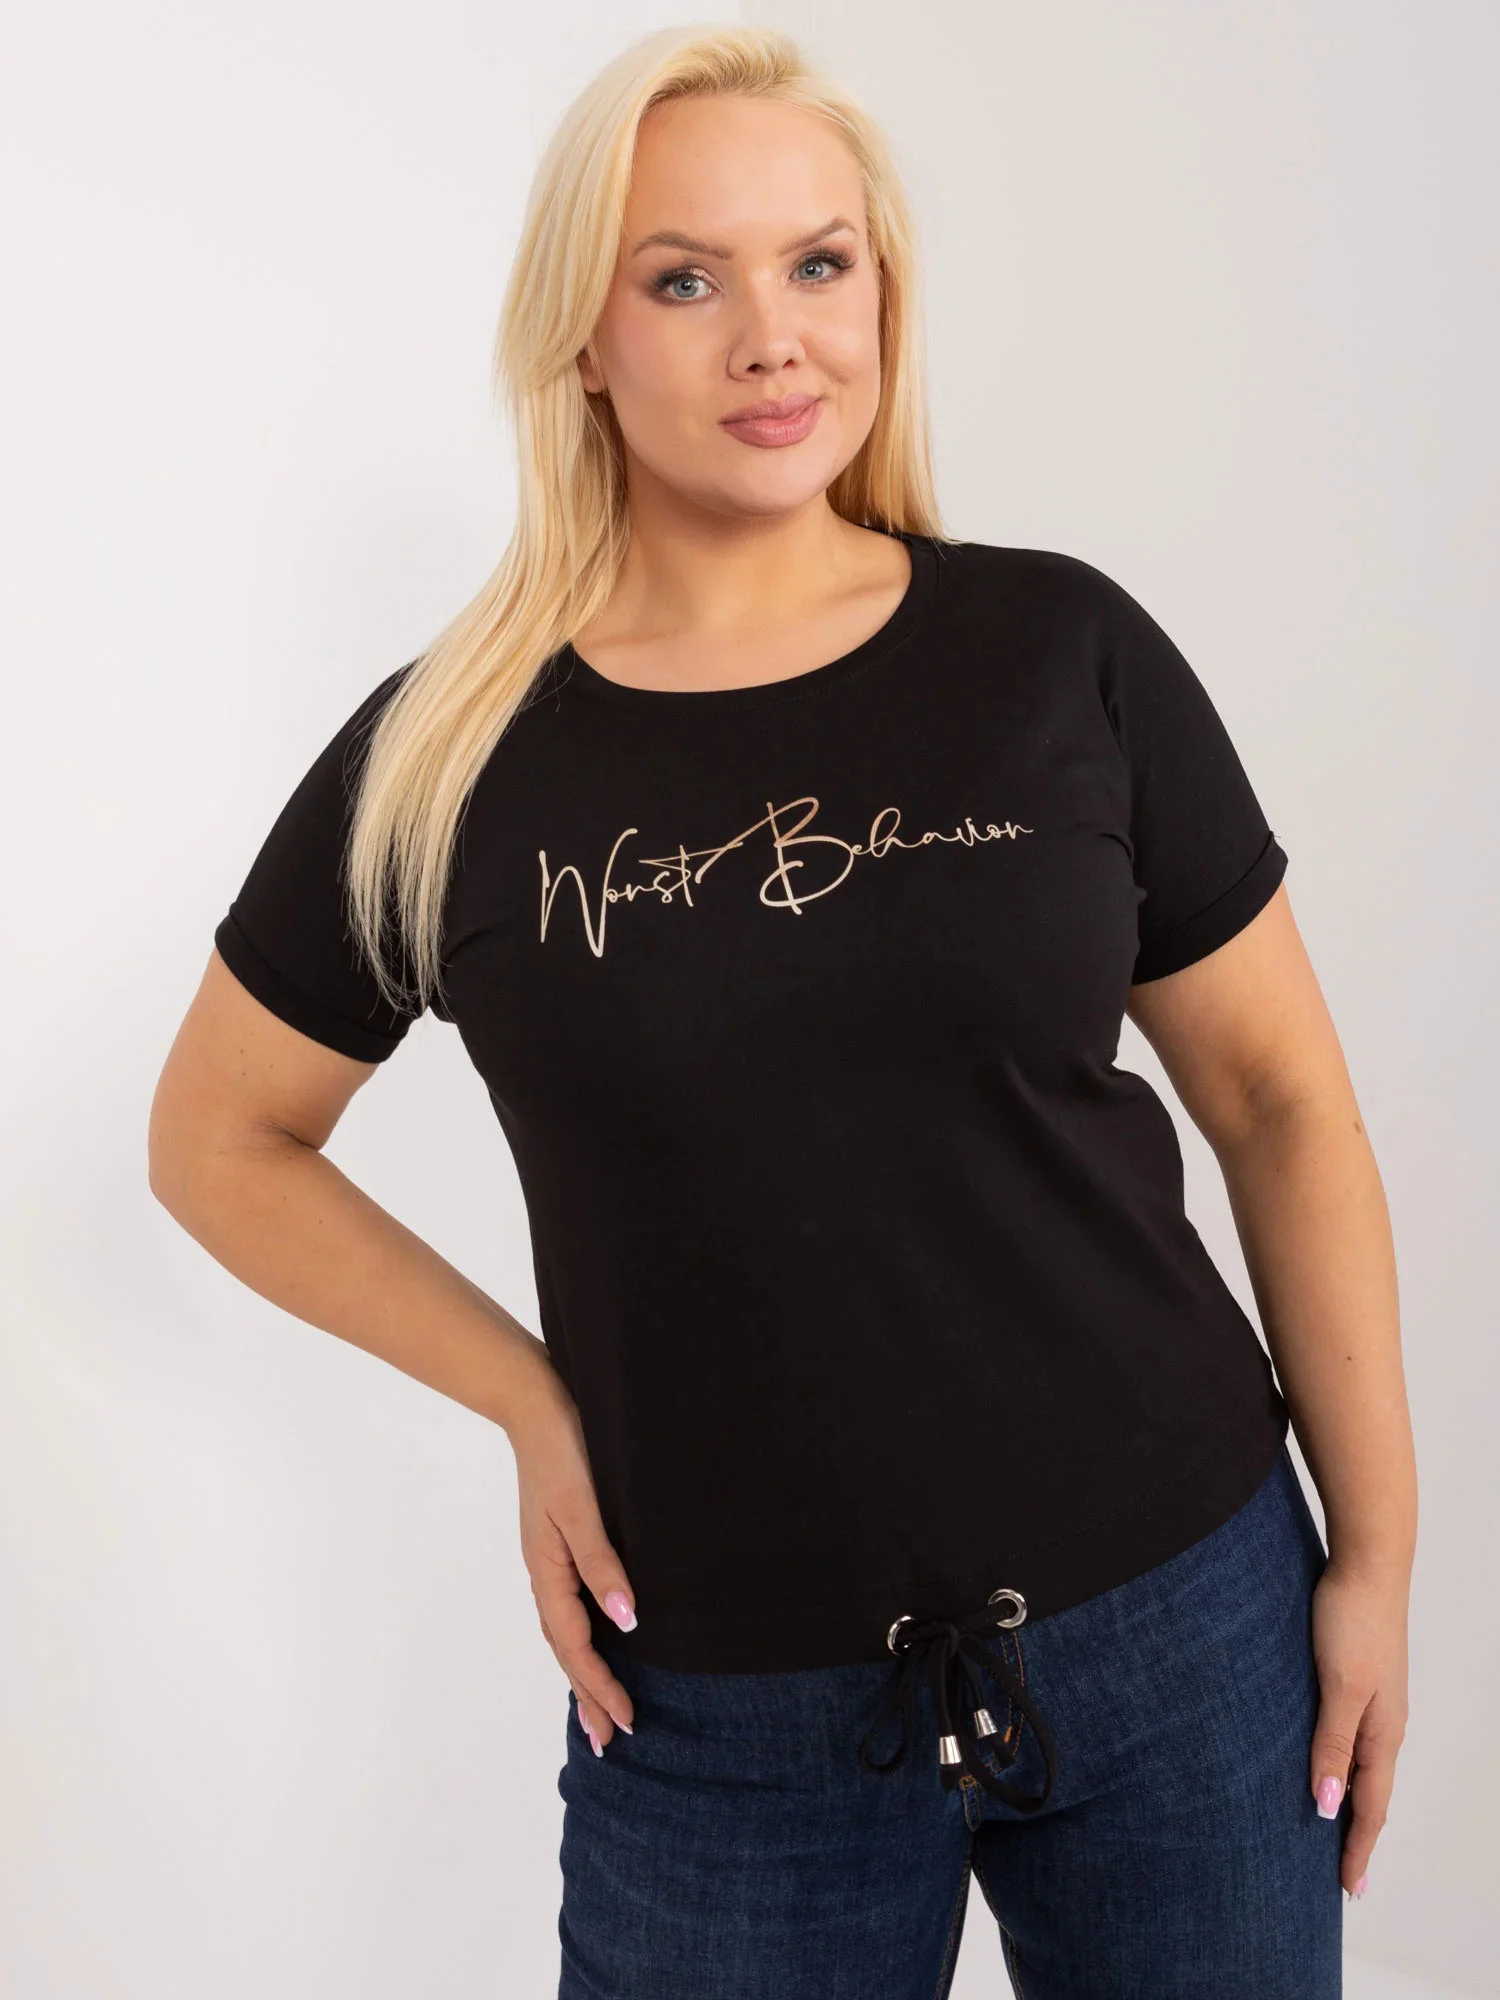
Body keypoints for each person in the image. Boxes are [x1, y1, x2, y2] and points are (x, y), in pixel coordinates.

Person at [148, 23, 1415, 1999]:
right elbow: (218, 1137)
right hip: (721, 1717)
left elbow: (1278, 1102)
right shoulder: (451, 759)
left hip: (1184, 1626)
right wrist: (527, 1396)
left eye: (821, 263)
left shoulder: (1057, 647)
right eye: (685, 279)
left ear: (882, 294)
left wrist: (1377, 1556)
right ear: (582, 340)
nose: (772, 338)